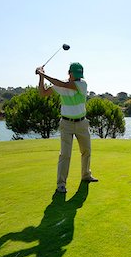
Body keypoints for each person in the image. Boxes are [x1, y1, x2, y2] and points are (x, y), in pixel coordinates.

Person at [36, 62, 98, 193]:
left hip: (82, 123)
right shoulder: (60, 85)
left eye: (79, 75)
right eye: (75, 75)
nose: (77, 78)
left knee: (86, 150)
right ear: (69, 73)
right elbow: (43, 93)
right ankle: (61, 184)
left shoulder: (82, 84)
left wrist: (43, 74)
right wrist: (41, 77)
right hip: (66, 124)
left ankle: (86, 175)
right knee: (65, 154)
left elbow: (63, 84)